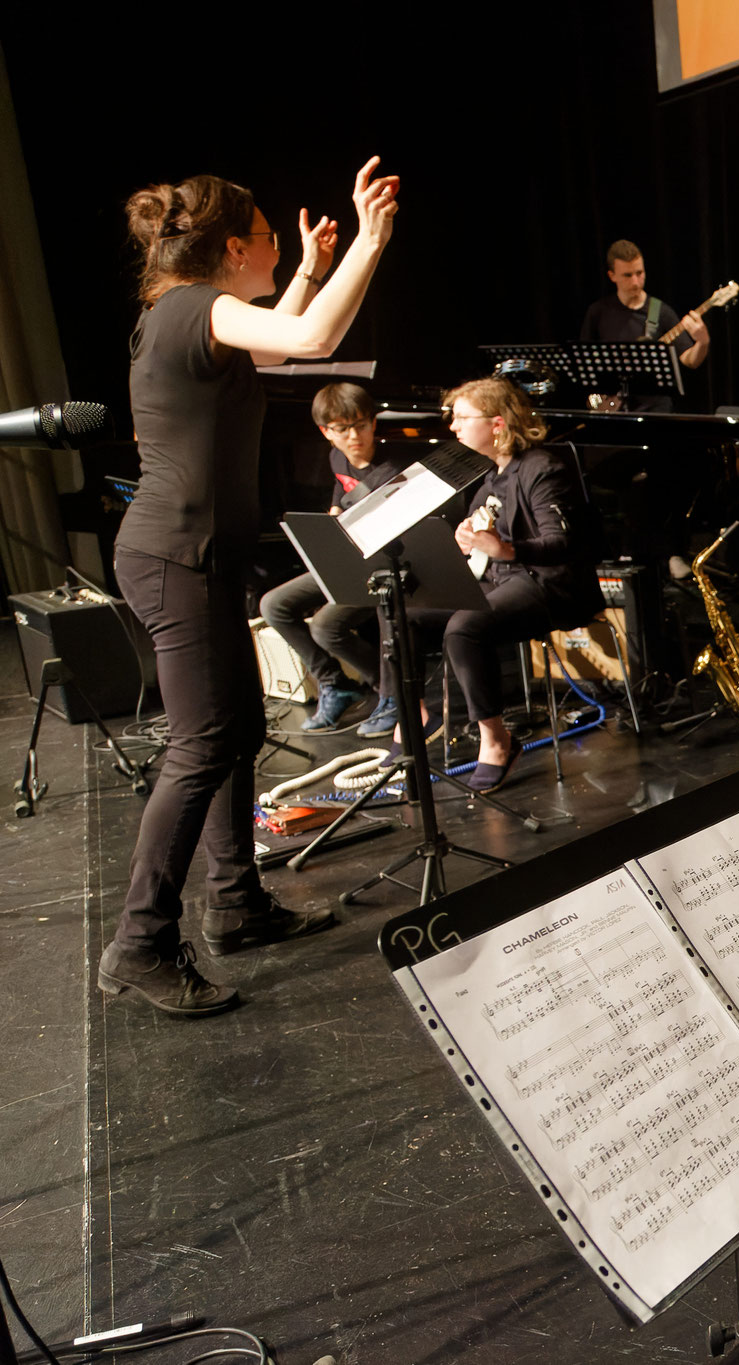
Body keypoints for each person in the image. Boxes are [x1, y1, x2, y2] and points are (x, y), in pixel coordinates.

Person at [97, 158, 399, 1017]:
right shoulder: (195, 307)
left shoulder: (190, 310)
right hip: (174, 555)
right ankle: (138, 943)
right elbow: (309, 342)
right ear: (234, 249)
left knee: (234, 732)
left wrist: (306, 268)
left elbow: (281, 327)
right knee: (202, 744)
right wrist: (371, 242)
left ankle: (235, 902)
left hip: (195, 554)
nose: (277, 249)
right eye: (269, 239)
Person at [387, 378, 602, 793]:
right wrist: (467, 539)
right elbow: (481, 544)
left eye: (462, 418)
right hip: (499, 580)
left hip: (549, 584)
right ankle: (411, 720)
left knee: (465, 626)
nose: (453, 427)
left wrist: (504, 549)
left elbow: (562, 542)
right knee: (403, 612)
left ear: (498, 423)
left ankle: (496, 739)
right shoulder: (489, 477)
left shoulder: (543, 468)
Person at [256, 382, 402, 735]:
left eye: (362, 425)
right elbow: (342, 491)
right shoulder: (337, 456)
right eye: (342, 429)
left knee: (325, 625)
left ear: (373, 424)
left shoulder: (391, 469)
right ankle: (336, 684)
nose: (355, 436)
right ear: (327, 432)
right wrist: (335, 511)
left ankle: (393, 694)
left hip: (383, 566)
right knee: (273, 605)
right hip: (349, 558)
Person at [578, 239, 710, 410]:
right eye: (628, 275)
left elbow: (690, 360)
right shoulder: (598, 312)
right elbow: (584, 360)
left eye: (639, 273)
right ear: (612, 276)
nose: (635, 281)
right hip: (613, 409)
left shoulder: (660, 311)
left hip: (654, 410)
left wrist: (703, 342)